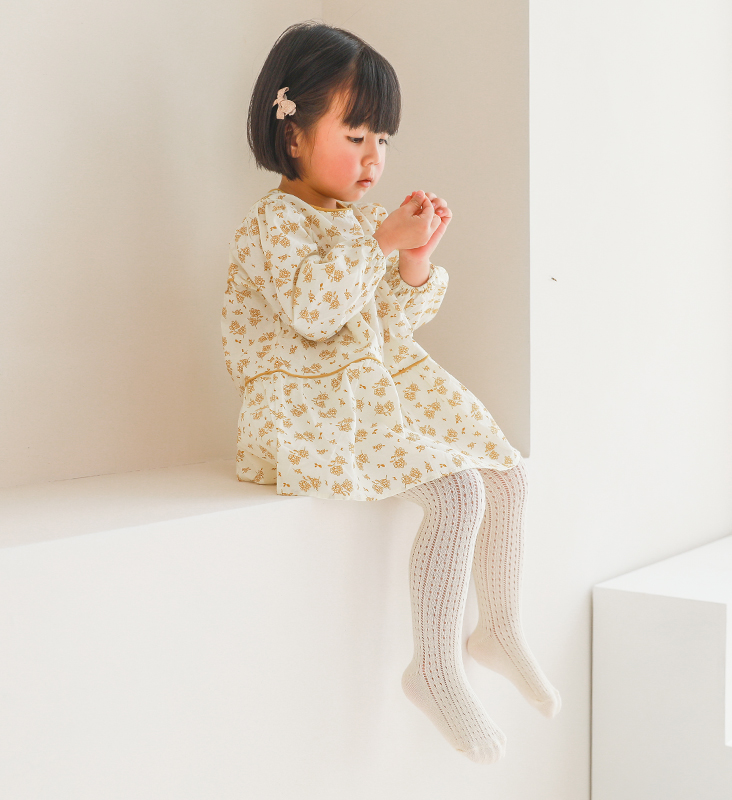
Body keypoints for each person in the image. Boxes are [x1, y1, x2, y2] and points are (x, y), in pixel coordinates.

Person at [221, 20, 561, 764]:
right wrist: (380, 243)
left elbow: (388, 322)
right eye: (356, 135)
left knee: (505, 472)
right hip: (307, 404)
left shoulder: (359, 223)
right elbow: (314, 312)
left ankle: (499, 625)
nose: (375, 156)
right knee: (457, 491)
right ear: (293, 136)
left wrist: (414, 261)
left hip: (369, 387)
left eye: (383, 138)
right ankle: (433, 668)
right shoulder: (276, 222)